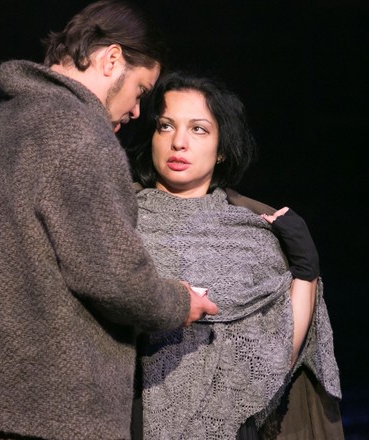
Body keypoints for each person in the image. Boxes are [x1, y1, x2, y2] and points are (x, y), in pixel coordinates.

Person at [0, 3, 218, 439]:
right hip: (53, 415)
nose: (134, 113)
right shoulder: (76, 130)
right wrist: (180, 303)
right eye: (141, 92)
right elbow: (113, 276)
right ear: (111, 59)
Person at [128, 72, 343, 439]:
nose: (178, 142)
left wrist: (306, 272)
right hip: (131, 415)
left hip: (234, 423)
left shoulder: (252, 237)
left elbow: (276, 360)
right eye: (166, 126)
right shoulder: (119, 220)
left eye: (198, 130)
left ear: (222, 147)